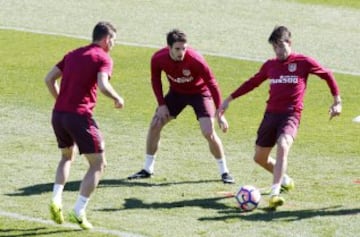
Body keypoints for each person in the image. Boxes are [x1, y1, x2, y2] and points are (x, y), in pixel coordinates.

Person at [218, 25, 342, 209]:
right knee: (260, 158)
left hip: (291, 114)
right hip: (270, 115)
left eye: (281, 46)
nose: (278, 51)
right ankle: (284, 179)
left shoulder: (303, 62)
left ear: (289, 43)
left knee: (283, 145)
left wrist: (337, 101)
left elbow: (327, 75)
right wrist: (229, 99)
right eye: (275, 47)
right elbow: (252, 82)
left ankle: (274, 193)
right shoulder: (270, 65)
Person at [44, 21, 124, 229]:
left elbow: (49, 79)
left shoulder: (73, 54)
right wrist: (117, 98)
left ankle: (56, 198)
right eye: (113, 40)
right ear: (106, 39)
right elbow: (103, 84)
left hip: (58, 115)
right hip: (79, 117)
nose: (113, 44)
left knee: (66, 157)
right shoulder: (103, 57)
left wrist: (61, 101)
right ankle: (78, 211)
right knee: (98, 164)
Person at [128, 29, 234, 184]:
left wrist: (220, 112)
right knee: (155, 124)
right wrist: (162, 105)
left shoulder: (196, 60)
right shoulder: (158, 58)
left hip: (200, 94)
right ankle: (147, 169)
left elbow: (212, 83)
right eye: (177, 49)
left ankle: (225, 172)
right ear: (169, 47)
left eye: (184, 48)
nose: (181, 52)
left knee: (208, 132)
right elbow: (155, 80)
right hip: (177, 94)